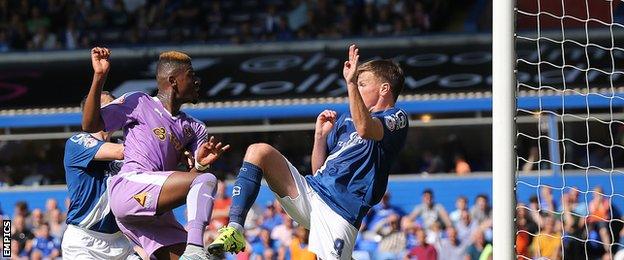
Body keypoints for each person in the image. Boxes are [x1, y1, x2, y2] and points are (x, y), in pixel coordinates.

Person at [208, 44, 409, 259]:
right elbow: (318, 169)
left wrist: (350, 83)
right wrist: (320, 137)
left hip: (340, 212)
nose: (356, 88)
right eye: (356, 84)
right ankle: (235, 229)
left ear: (384, 89)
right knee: (259, 152)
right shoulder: (346, 120)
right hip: (311, 192)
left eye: (362, 84)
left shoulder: (396, 117)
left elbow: (366, 128)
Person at [81, 47, 229, 259]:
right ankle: (196, 248)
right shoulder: (139, 102)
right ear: (173, 80)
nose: (197, 81)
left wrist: (200, 165)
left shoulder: (195, 128)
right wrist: (99, 76)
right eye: (191, 75)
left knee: (204, 178)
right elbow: (90, 125)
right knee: (209, 180)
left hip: (156, 213)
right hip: (130, 187)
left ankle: (194, 252)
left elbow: (194, 182)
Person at [61, 90, 138, 259]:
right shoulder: (78, 142)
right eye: (111, 105)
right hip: (84, 242)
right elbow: (120, 153)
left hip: (119, 241)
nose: (118, 110)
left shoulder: (124, 145)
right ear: (94, 111)